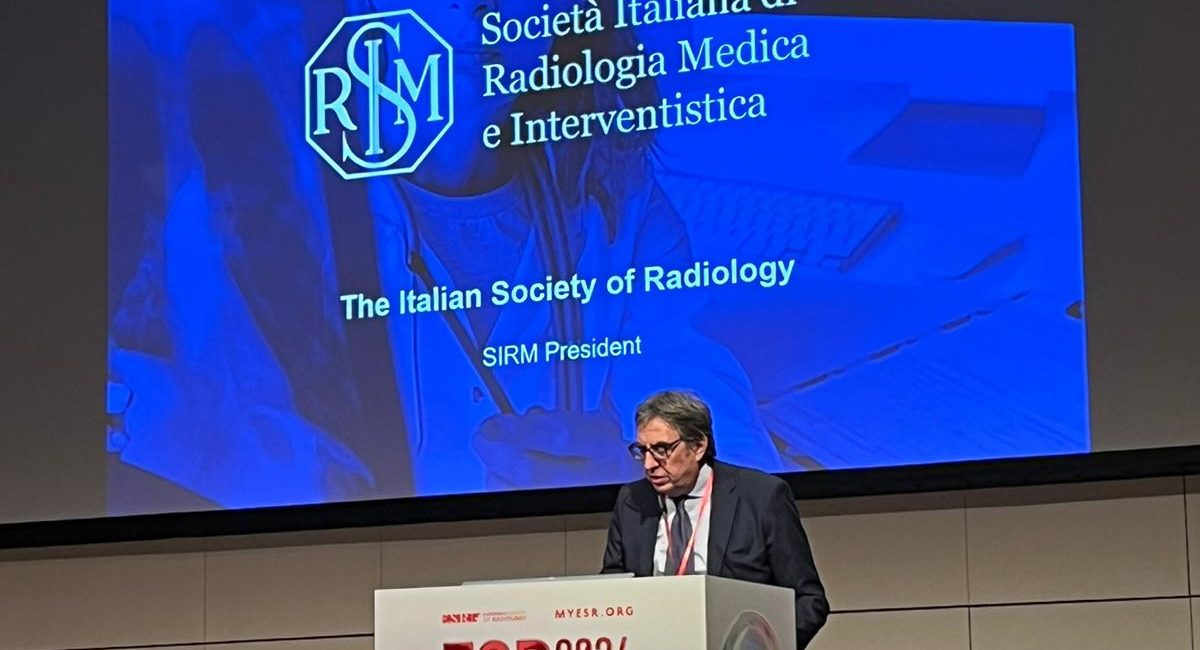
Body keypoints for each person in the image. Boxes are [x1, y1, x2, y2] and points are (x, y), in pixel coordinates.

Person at [106, 0, 780, 509]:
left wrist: (644, 481)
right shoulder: (228, 221)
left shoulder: (613, 194)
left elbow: (726, 453)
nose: (480, 7)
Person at [602, 390, 828, 649]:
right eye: (642, 451)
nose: (649, 464)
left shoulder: (761, 497)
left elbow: (809, 600)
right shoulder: (631, 501)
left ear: (698, 446)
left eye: (662, 450)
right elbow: (612, 594)